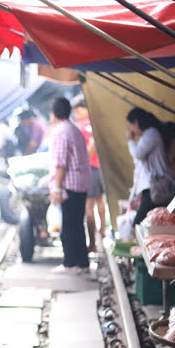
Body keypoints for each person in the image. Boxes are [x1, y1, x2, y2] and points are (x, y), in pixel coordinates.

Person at [48, 97, 91, 273]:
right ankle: (82, 263)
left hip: (70, 185)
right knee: (77, 225)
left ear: (53, 113)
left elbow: (60, 163)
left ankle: (71, 263)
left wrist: (57, 187)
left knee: (68, 226)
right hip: (81, 183)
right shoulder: (74, 129)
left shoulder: (60, 131)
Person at [72, 96, 106, 253]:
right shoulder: (94, 123)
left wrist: (82, 162)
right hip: (99, 167)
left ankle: (92, 244)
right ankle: (103, 231)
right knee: (100, 202)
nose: (77, 114)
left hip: (91, 169)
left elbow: (92, 143)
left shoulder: (86, 124)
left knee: (88, 208)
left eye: (77, 111)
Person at [126, 108, 170, 226]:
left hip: (154, 187)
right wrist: (133, 195)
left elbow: (138, 154)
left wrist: (130, 141)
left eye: (131, 126)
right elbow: (138, 169)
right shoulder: (145, 137)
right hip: (148, 188)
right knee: (151, 223)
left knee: (139, 224)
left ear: (136, 122)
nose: (132, 130)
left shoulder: (152, 133)